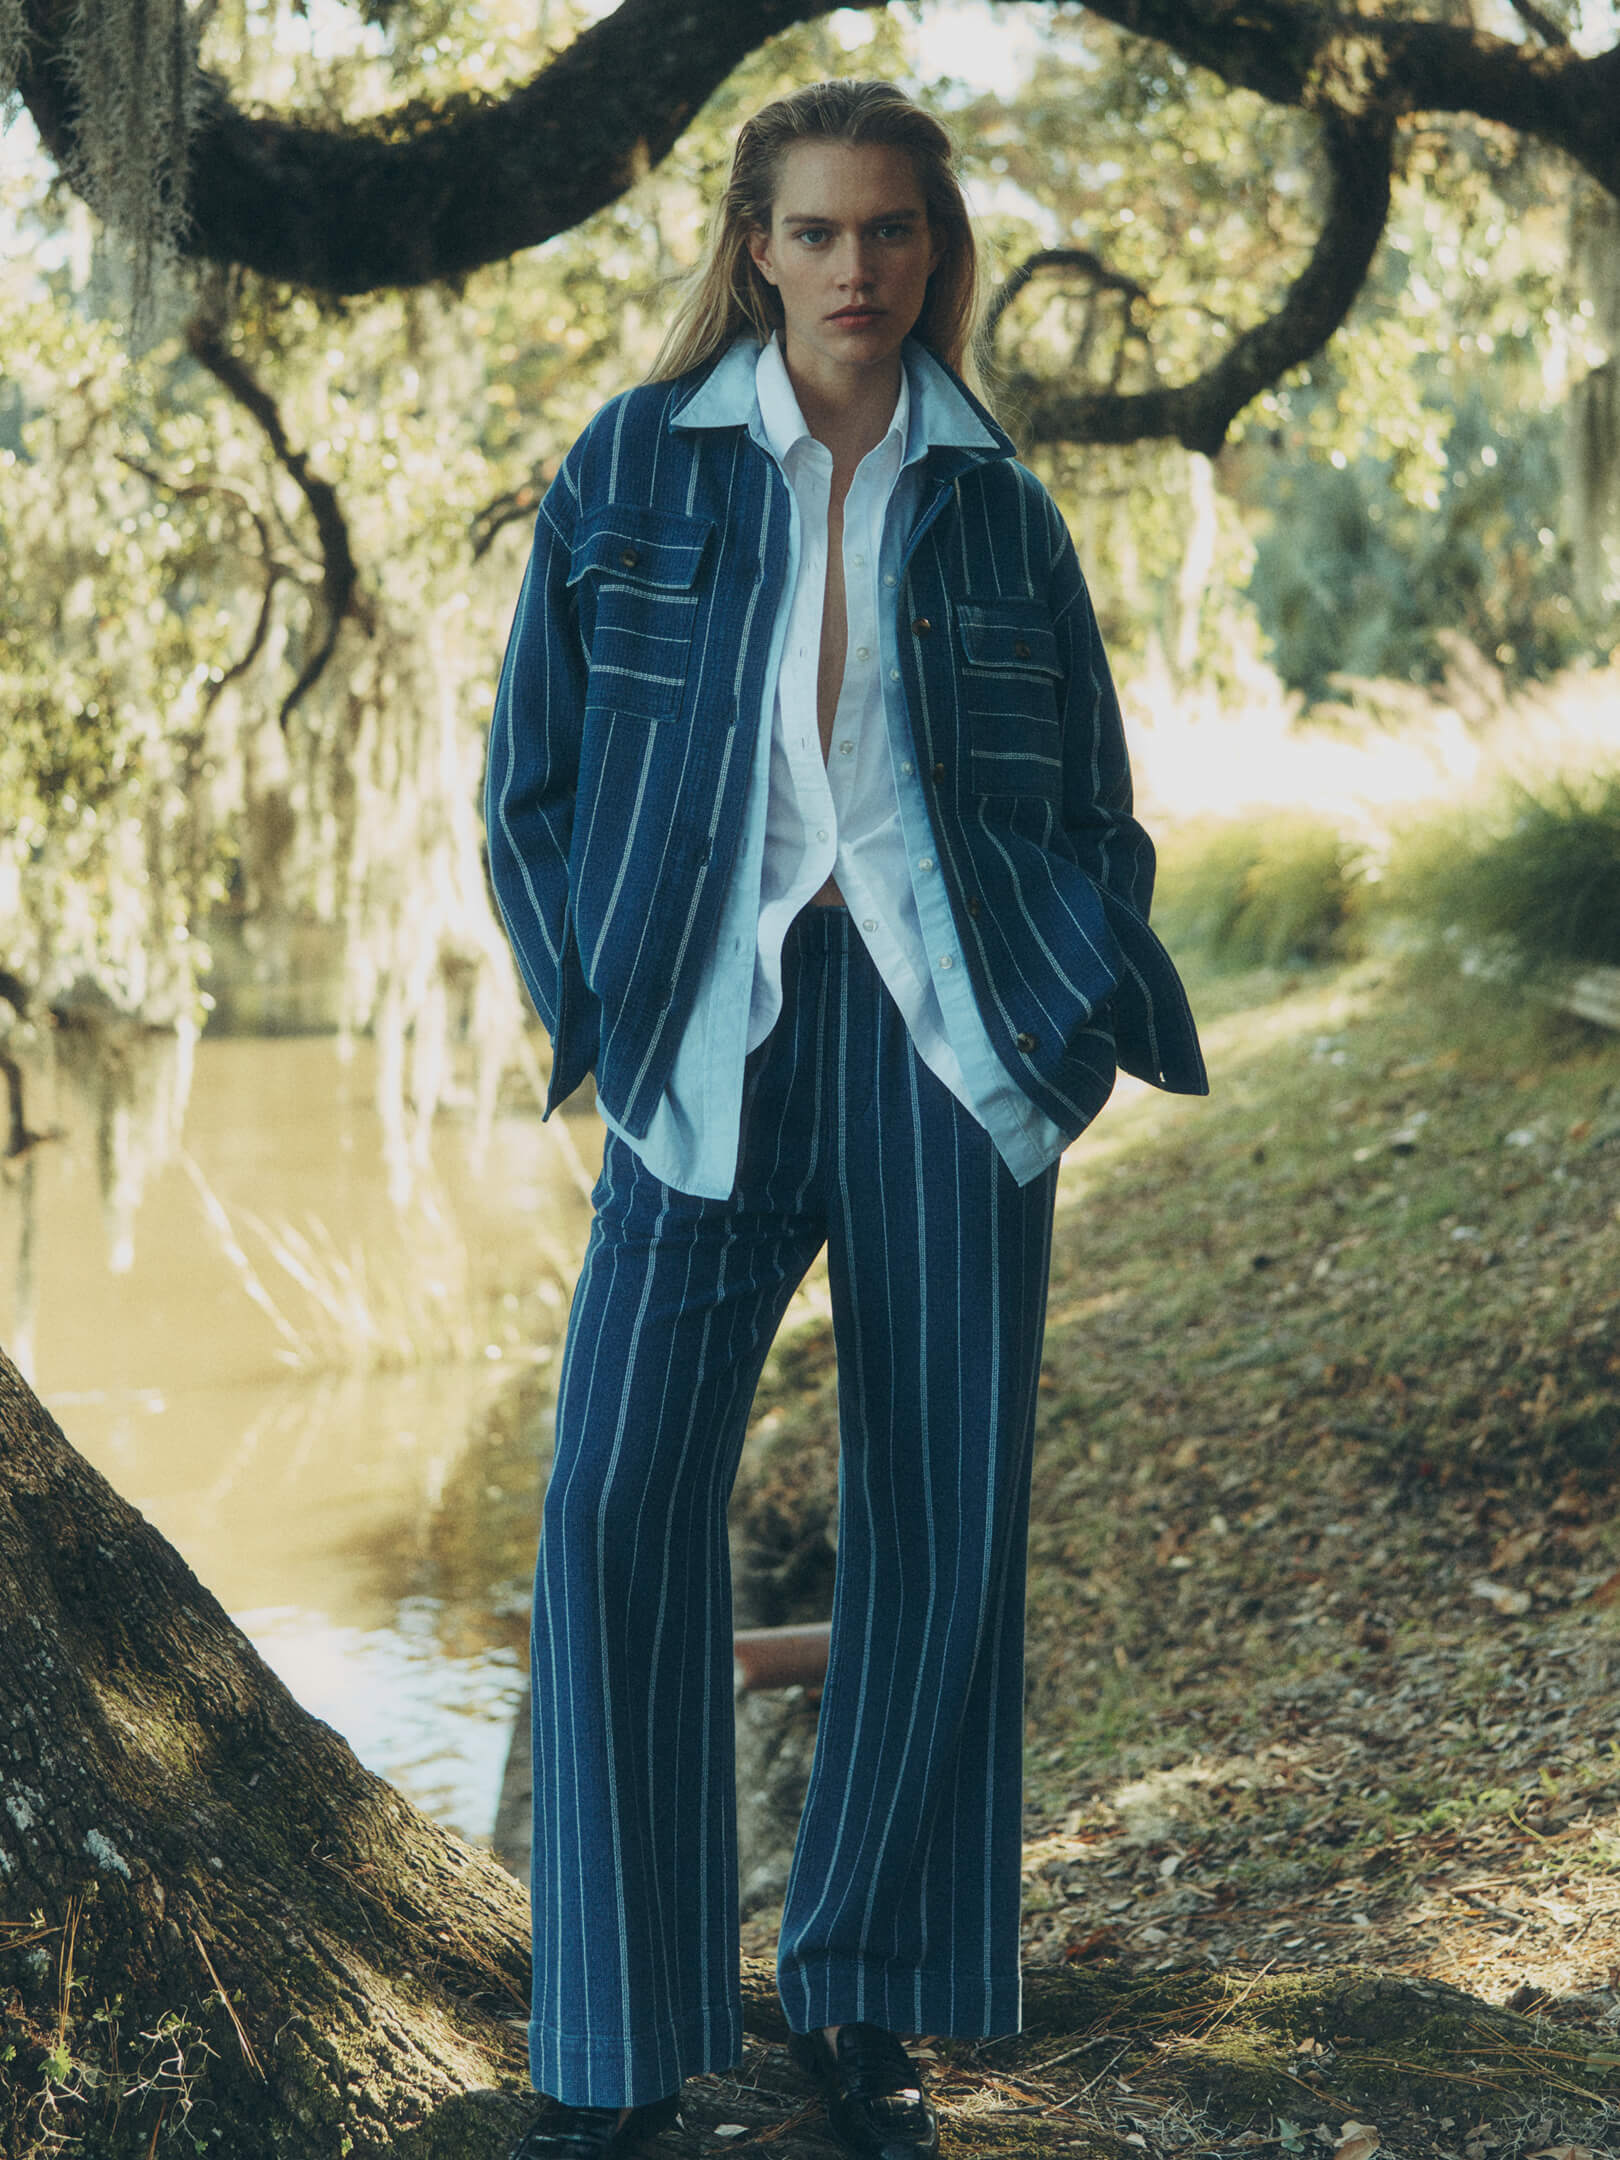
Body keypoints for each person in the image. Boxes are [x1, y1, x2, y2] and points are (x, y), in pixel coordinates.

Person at [485, 76, 1207, 2160]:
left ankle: (865, 2010)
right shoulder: (637, 468)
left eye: (894, 232)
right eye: (820, 231)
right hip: (705, 1042)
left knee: (938, 1520)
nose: (859, 268)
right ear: (754, 249)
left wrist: (1057, 1016)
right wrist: (601, 1008)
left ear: (933, 252)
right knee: (614, 1502)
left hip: (942, 1048)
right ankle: (613, 2041)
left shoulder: (999, 503)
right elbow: (529, 781)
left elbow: (1090, 801)